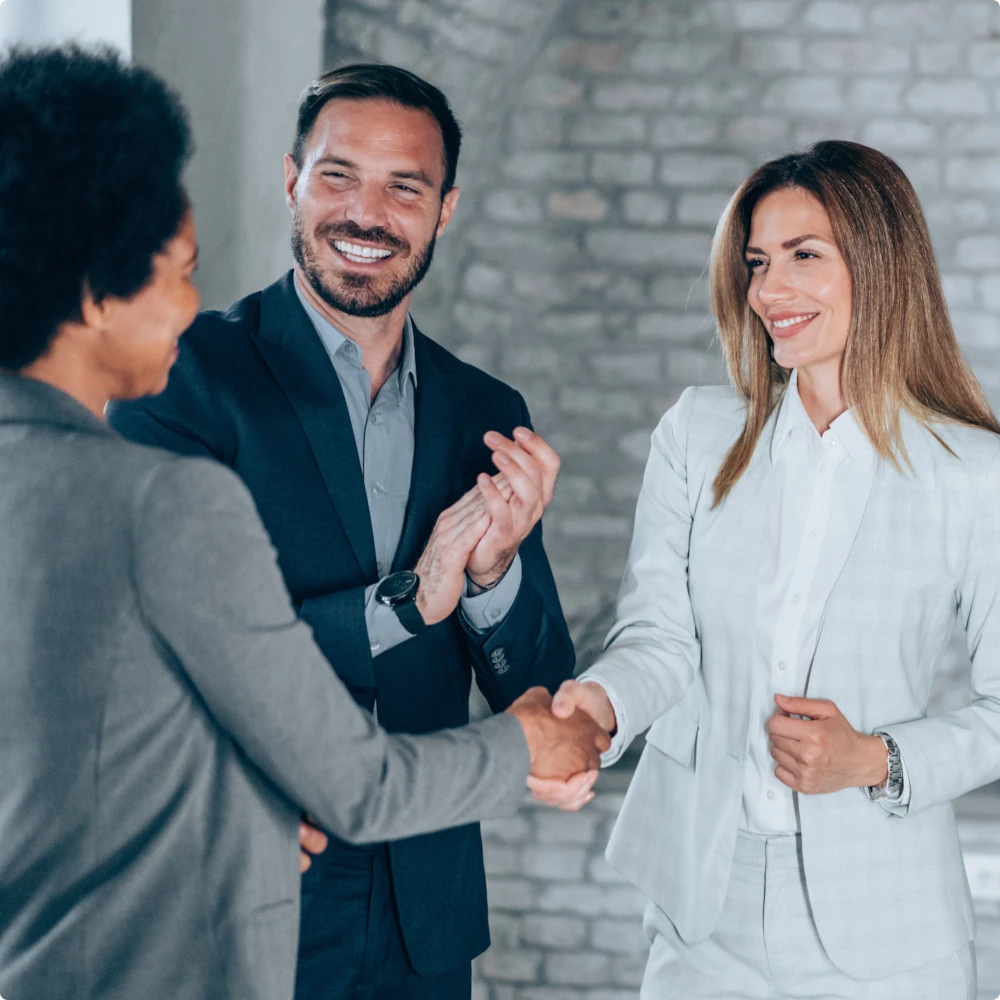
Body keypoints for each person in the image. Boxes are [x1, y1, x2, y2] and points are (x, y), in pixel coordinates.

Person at [0, 46, 609, 1000]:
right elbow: (184, 660)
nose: (366, 214)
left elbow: (542, 688)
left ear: (445, 210)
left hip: (427, 916)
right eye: (337, 176)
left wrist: (490, 579)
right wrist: (412, 599)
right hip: (254, 887)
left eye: (405, 188)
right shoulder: (179, 374)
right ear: (292, 183)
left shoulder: (484, 408)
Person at [539, 141, 1000, 998]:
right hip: (704, 906)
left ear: (880, 262)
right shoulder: (698, 433)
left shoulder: (973, 474)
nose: (768, 292)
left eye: (803, 257)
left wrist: (875, 759)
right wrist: (599, 705)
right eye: (756, 262)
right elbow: (658, 636)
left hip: (887, 925)